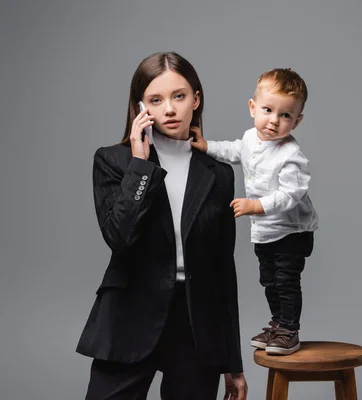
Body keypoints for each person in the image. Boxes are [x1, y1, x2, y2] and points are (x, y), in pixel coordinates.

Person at [76, 52, 247, 399]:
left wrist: (234, 363)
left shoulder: (218, 174)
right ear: (141, 107)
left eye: (179, 96)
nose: (169, 109)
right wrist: (140, 166)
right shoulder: (114, 161)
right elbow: (119, 238)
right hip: (130, 314)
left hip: (197, 325)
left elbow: (222, 271)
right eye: (156, 99)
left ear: (195, 100)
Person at [191, 68, 318, 356]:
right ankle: (277, 323)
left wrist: (255, 205)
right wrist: (207, 146)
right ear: (253, 108)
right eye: (268, 110)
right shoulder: (250, 138)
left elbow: (291, 195)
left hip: (291, 232)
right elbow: (235, 150)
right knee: (269, 280)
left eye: (285, 116)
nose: (274, 121)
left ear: (296, 121)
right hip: (265, 232)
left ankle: (290, 330)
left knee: (286, 281)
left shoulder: (291, 156)